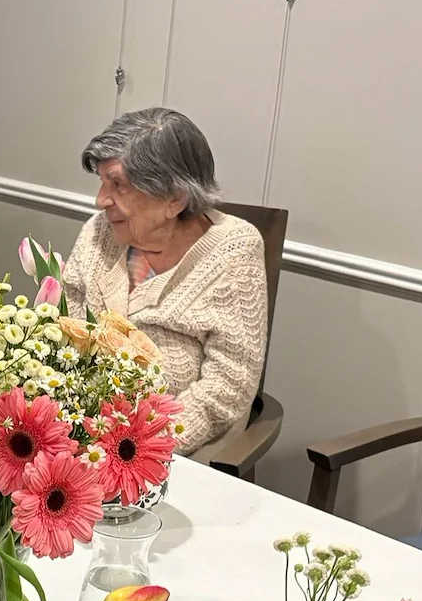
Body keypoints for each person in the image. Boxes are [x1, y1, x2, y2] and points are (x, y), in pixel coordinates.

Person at [62, 107, 268, 456]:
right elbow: (64, 333)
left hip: (177, 453)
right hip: (80, 438)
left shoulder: (233, 253)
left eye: (117, 184)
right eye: (101, 181)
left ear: (175, 198)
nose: (100, 200)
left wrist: (134, 450)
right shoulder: (99, 232)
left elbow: (227, 386)